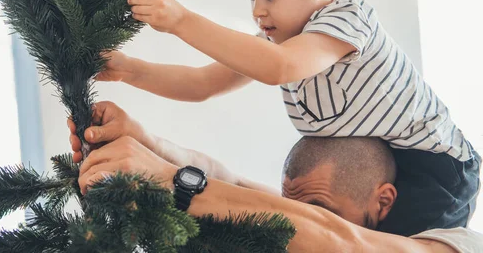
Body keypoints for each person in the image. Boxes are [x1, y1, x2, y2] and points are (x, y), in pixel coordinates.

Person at [98, 0, 480, 236]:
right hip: (388, 165)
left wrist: (182, 20)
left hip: (437, 170)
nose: (257, 10)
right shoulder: (276, 45)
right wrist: (129, 70)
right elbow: (202, 84)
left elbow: (278, 68)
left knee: (354, 243)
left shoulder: (346, 20)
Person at [68, 101, 483, 252]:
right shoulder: (314, 214)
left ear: (383, 201)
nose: (295, 226)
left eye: (321, 210)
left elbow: (341, 241)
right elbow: (233, 182)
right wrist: (146, 142)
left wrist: (169, 180)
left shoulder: (458, 245)